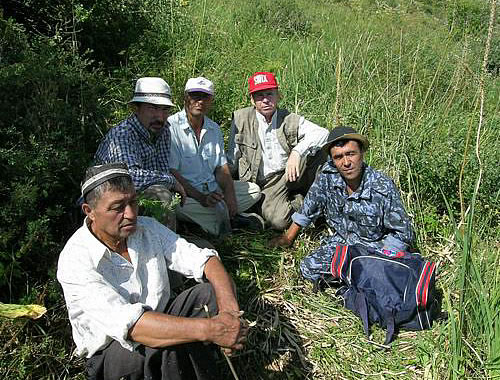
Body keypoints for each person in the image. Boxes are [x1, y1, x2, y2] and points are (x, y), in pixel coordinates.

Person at [57, 163, 247, 380]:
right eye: (117, 207)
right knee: (165, 343)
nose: (130, 214)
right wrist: (211, 330)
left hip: (158, 322)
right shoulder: (76, 259)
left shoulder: (147, 229)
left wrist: (229, 314)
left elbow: (206, 261)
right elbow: (132, 327)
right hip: (115, 353)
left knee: (209, 294)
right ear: (89, 212)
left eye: (133, 202)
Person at [270, 126, 415, 252]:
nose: (346, 163)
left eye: (351, 154)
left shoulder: (382, 186)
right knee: (309, 268)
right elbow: (308, 207)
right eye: (338, 157)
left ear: (362, 153)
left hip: (374, 248)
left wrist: (380, 261)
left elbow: (403, 233)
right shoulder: (328, 176)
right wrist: (288, 237)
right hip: (341, 243)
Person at [228, 71, 329, 231]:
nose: (266, 100)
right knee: (279, 222)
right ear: (252, 100)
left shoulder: (289, 118)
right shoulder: (241, 119)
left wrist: (296, 153)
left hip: (291, 171)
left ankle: (322, 204)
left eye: (270, 94)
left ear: (278, 95)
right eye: (260, 96)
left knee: (318, 154)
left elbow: (323, 133)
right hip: (267, 183)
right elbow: (232, 158)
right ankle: (302, 203)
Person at [168, 77, 263, 237]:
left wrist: (230, 196)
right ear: (185, 97)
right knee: (175, 205)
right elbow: (173, 173)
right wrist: (201, 198)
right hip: (187, 194)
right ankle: (230, 221)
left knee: (254, 191)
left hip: (212, 189)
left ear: (211, 100)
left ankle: (214, 219)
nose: (199, 101)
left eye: (205, 97)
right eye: (195, 95)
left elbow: (221, 167)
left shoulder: (214, 128)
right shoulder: (171, 127)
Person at [94, 77, 186, 229]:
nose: (160, 117)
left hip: (135, 198)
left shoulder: (163, 130)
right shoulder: (123, 134)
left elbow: (160, 170)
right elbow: (129, 178)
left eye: (165, 110)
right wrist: (172, 181)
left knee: (168, 196)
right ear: (136, 109)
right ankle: (162, 248)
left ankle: (161, 240)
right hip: (107, 200)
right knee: (160, 197)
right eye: (153, 108)